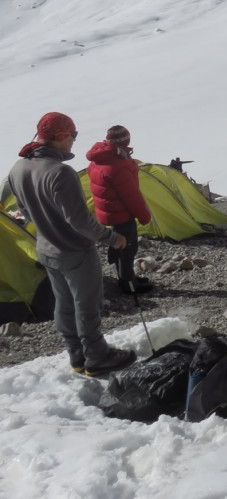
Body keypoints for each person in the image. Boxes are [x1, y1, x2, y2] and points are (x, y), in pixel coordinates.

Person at [7, 112, 137, 376]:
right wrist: (114, 238)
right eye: (73, 136)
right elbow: (80, 222)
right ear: (61, 136)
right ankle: (97, 357)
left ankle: (77, 357)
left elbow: (24, 210)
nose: (74, 141)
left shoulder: (18, 168)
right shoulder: (60, 173)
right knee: (87, 305)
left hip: (46, 248)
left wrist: (47, 226)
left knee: (64, 304)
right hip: (75, 251)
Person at [86, 125, 154, 295]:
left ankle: (126, 278)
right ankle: (128, 285)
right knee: (128, 249)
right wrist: (144, 216)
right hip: (122, 215)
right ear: (125, 141)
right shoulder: (118, 165)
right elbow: (131, 196)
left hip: (109, 212)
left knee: (119, 246)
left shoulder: (99, 159)